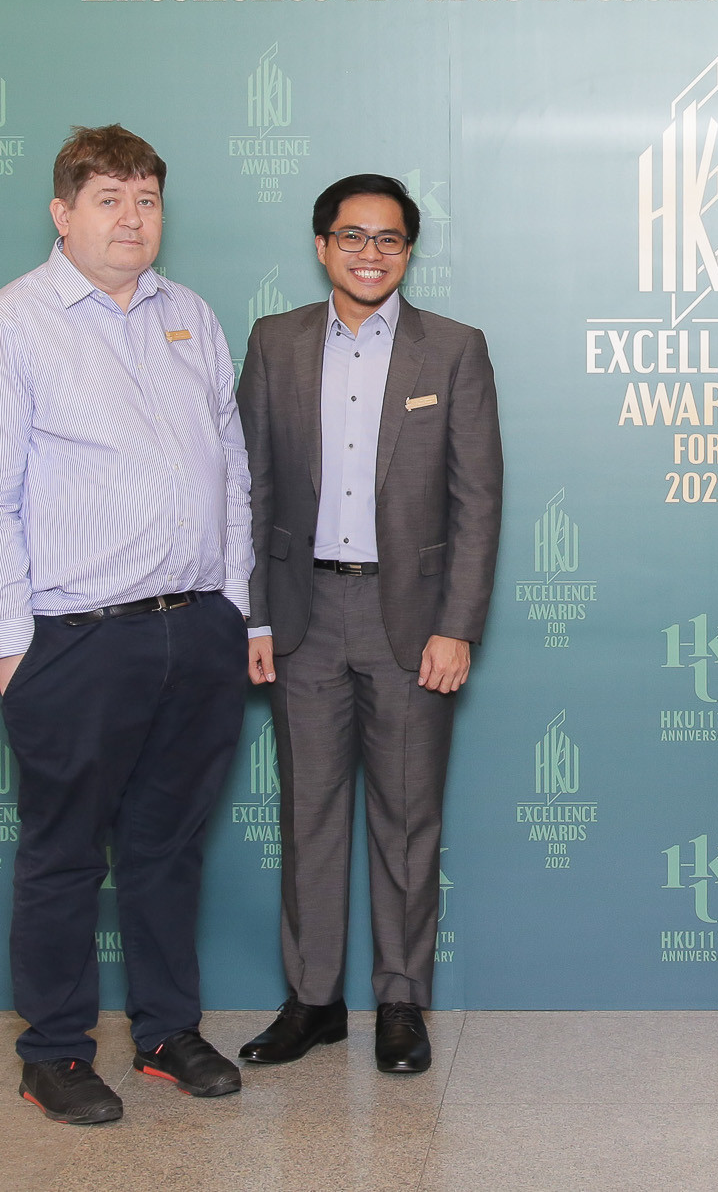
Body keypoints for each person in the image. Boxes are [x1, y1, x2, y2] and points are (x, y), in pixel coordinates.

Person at [0, 124, 251, 1124]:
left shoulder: (190, 316)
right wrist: (13, 646)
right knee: (65, 853)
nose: (132, 218)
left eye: (147, 199)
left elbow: (232, 470)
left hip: (196, 629)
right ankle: (54, 1052)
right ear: (62, 212)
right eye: (109, 199)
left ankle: (167, 1032)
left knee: (168, 846)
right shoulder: (10, 325)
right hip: (75, 638)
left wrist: (236, 603)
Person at [236, 174, 502, 1075]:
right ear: (322, 246)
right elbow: (250, 487)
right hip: (302, 614)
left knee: (407, 818)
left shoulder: (454, 349)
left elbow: (477, 501)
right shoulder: (274, 342)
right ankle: (313, 1002)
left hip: (411, 621)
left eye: (389, 238)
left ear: (408, 252)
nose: (370, 253)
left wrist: (458, 624)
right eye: (352, 235)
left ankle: (400, 1002)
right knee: (308, 813)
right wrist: (252, 615)